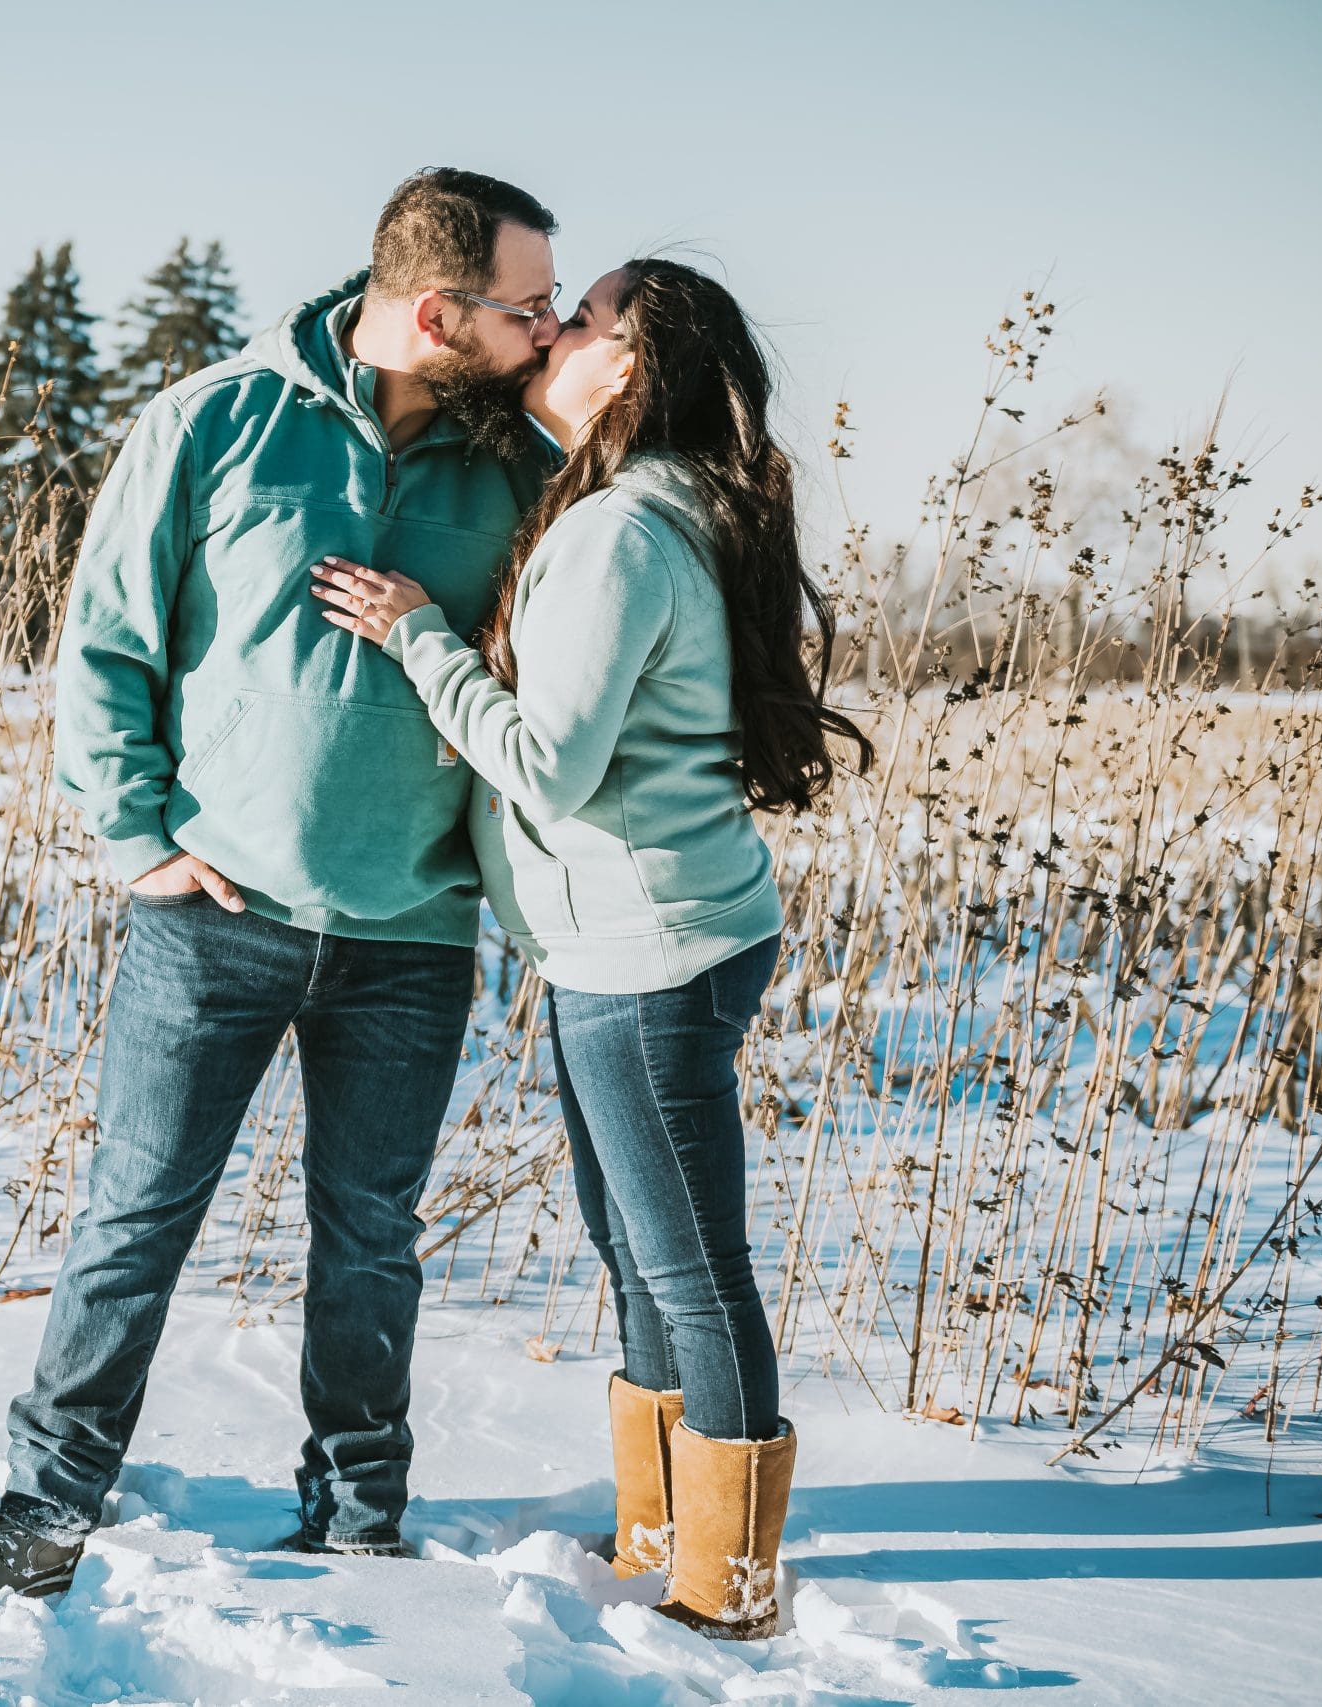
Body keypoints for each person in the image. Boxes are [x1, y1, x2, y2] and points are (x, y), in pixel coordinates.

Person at [0, 168, 565, 1598]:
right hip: (212, 919)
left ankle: (359, 1511)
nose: (549, 332)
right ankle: (51, 1499)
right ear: (438, 313)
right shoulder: (216, 421)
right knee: (134, 1217)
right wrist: (141, 845)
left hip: (414, 930)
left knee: (373, 1240)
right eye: (528, 307)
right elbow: (107, 645)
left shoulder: (523, 471)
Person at [311, 258, 871, 1638]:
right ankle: (664, 1536)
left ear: (626, 365)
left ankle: (726, 1589)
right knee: (643, 1256)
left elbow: (550, 769)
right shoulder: (653, 508)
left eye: (583, 317)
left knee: (685, 1268)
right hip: (653, 936)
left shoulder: (622, 531)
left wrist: (420, 641)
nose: (552, 330)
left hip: (646, 953)